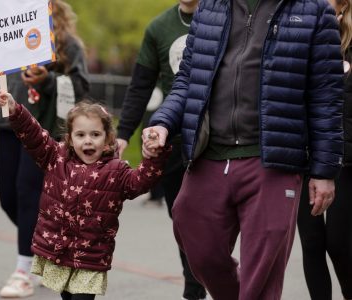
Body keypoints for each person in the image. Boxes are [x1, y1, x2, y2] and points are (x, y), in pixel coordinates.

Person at [142, 0, 344, 299]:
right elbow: (187, 81)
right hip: (210, 155)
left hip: (273, 160)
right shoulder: (210, 7)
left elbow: (326, 98)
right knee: (193, 235)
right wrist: (162, 123)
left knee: (262, 272)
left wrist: (324, 171)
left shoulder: (314, 11)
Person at [0, 92, 170, 300]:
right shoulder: (56, 157)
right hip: (59, 252)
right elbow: (34, 135)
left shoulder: (116, 171)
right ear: (70, 139)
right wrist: (15, 111)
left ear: (108, 140)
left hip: (91, 258)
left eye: (95, 135)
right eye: (80, 135)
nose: (88, 141)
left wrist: (154, 157)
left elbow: (142, 181)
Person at [0, 0, 89, 298]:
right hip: (6, 126)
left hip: (43, 131)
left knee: (26, 192)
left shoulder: (67, 43)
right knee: (8, 197)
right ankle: (48, 245)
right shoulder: (4, 33)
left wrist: (48, 81)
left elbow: (81, 86)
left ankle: (24, 270)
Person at [116, 1, 206, 298]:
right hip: (174, 141)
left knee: (213, 221)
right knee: (181, 220)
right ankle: (194, 286)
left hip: (214, 139)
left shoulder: (223, 16)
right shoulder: (159, 28)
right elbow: (141, 85)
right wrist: (123, 134)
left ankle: (208, 280)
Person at [297, 1, 352, 299]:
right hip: (306, 156)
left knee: (340, 242)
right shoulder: (302, 42)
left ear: (342, 6)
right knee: (313, 242)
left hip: (348, 161)